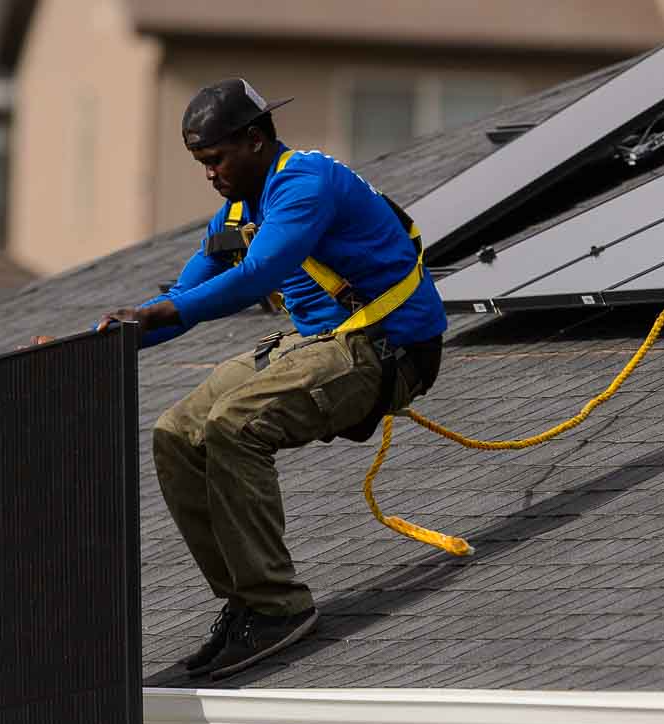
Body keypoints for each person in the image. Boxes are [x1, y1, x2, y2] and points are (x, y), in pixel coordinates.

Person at [102, 77, 450, 680]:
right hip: (315, 343)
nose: (209, 174)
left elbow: (260, 271)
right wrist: (98, 343)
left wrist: (164, 312)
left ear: (255, 140)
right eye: (200, 163)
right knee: (176, 434)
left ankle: (275, 607)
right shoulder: (242, 208)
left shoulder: (304, 184)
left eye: (215, 159)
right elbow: (186, 295)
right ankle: (246, 602)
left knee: (234, 424)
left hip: (385, 348)